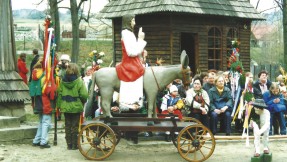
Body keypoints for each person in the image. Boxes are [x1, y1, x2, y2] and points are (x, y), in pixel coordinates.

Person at [116, 14, 146, 111]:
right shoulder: (126, 33)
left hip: (134, 61)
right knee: (139, 71)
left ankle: (136, 101)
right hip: (129, 62)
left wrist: (139, 38)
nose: (135, 23)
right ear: (128, 21)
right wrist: (141, 40)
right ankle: (132, 101)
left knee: (141, 68)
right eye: (133, 20)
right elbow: (131, 52)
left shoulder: (129, 33)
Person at [57, 63, 88, 150]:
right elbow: (84, 95)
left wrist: (59, 106)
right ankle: (75, 145)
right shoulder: (79, 81)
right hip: (76, 106)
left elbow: (59, 94)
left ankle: (69, 145)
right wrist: (83, 101)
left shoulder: (62, 81)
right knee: (75, 126)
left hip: (65, 107)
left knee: (67, 125)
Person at [30, 60, 52, 148]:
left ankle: (36, 140)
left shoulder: (34, 74)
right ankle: (43, 141)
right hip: (44, 101)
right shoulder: (44, 75)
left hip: (37, 101)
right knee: (46, 122)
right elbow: (48, 90)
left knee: (41, 122)